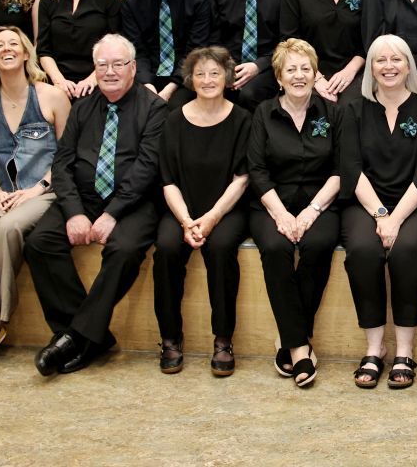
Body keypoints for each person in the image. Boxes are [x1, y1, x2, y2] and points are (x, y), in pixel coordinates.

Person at [25, 34, 167, 376]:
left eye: (118, 64)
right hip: (83, 198)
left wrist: (111, 214)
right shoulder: (83, 107)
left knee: (123, 249)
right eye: (103, 64)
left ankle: (74, 338)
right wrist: (74, 212)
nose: (110, 71)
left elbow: (146, 170)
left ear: (133, 68)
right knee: (39, 242)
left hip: (134, 203)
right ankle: (87, 334)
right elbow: (62, 163)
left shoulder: (155, 108)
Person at [0, 27, 70, 371]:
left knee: (8, 229)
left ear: (25, 54)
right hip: (0, 190)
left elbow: (67, 155)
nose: (6, 49)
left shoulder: (51, 96)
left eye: (13, 44)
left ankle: (1, 319)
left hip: (43, 191)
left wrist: (36, 189)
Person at [341, 35, 417, 389]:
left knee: (406, 251)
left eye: (396, 59)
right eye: (380, 60)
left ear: (409, 66)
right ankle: (374, 348)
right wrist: (381, 215)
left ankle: (404, 350)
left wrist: (396, 219)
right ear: (370, 67)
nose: (388, 66)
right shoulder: (353, 108)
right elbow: (351, 168)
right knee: (363, 251)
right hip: (367, 202)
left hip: (415, 203)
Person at [248, 39, 342, 388]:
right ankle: (300, 348)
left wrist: (310, 212)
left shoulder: (334, 113)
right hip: (271, 204)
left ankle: (290, 339)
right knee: (276, 249)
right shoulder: (263, 113)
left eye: (306, 69)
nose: (299, 75)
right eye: (291, 69)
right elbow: (257, 170)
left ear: (316, 74)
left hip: (322, 204)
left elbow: (340, 170)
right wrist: (283, 216)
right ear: (278, 77)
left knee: (318, 246)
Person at [152, 46, 251, 377]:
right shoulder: (173, 119)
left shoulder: (242, 119)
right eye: (200, 74)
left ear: (227, 77)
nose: (207, 80)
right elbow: (167, 180)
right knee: (166, 248)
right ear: (189, 80)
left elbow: (242, 179)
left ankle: (223, 340)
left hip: (226, 208)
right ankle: (170, 338)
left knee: (221, 248)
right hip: (182, 207)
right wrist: (185, 220)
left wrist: (210, 218)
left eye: (215, 73)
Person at [121, 0, 212, 110]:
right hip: (145, 77)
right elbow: (135, 51)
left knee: (176, 111)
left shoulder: (199, 1)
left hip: (185, 78)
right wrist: (148, 87)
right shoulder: (131, 1)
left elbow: (194, 52)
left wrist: (169, 89)